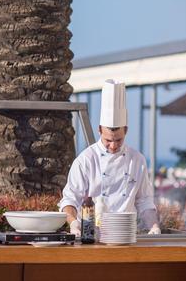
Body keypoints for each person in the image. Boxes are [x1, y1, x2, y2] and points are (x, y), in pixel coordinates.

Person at [59, 79, 161, 236]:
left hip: (126, 236)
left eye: (118, 140)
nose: (113, 145)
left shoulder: (137, 160)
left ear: (125, 130)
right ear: (99, 130)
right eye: (108, 140)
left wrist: (154, 226)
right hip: (92, 236)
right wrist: (73, 223)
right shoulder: (86, 160)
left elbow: (144, 201)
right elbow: (69, 199)